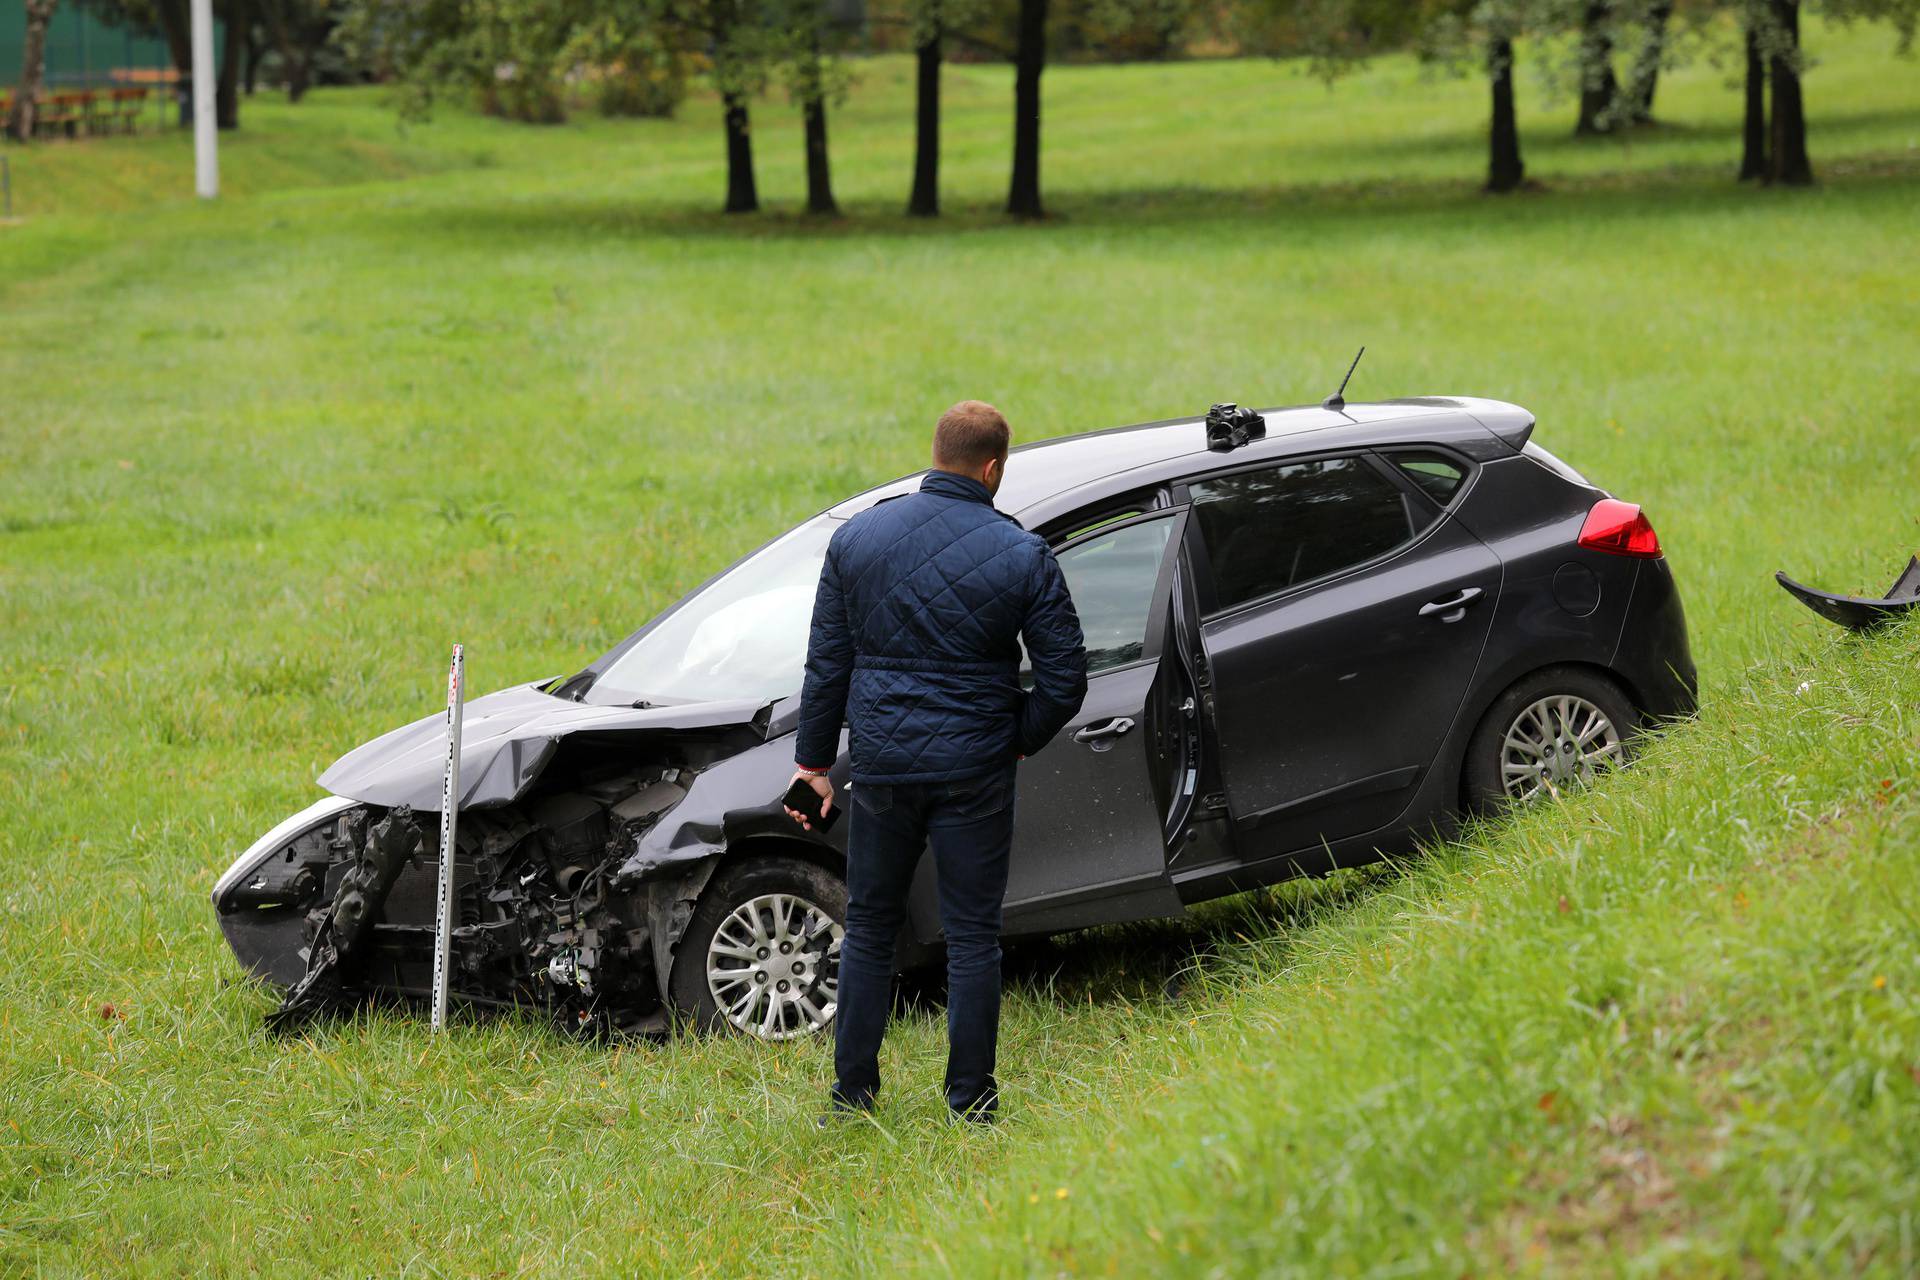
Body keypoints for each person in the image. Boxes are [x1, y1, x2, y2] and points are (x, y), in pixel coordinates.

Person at [787, 400, 1088, 1122]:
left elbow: (828, 663)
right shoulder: (1021, 554)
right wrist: (1017, 733)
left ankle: (851, 1094)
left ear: (937, 453)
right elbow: (1066, 678)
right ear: (993, 469)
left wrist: (813, 763)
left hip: (885, 767)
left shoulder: (857, 540)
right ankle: (971, 1102)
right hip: (975, 771)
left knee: (868, 927)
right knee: (973, 935)